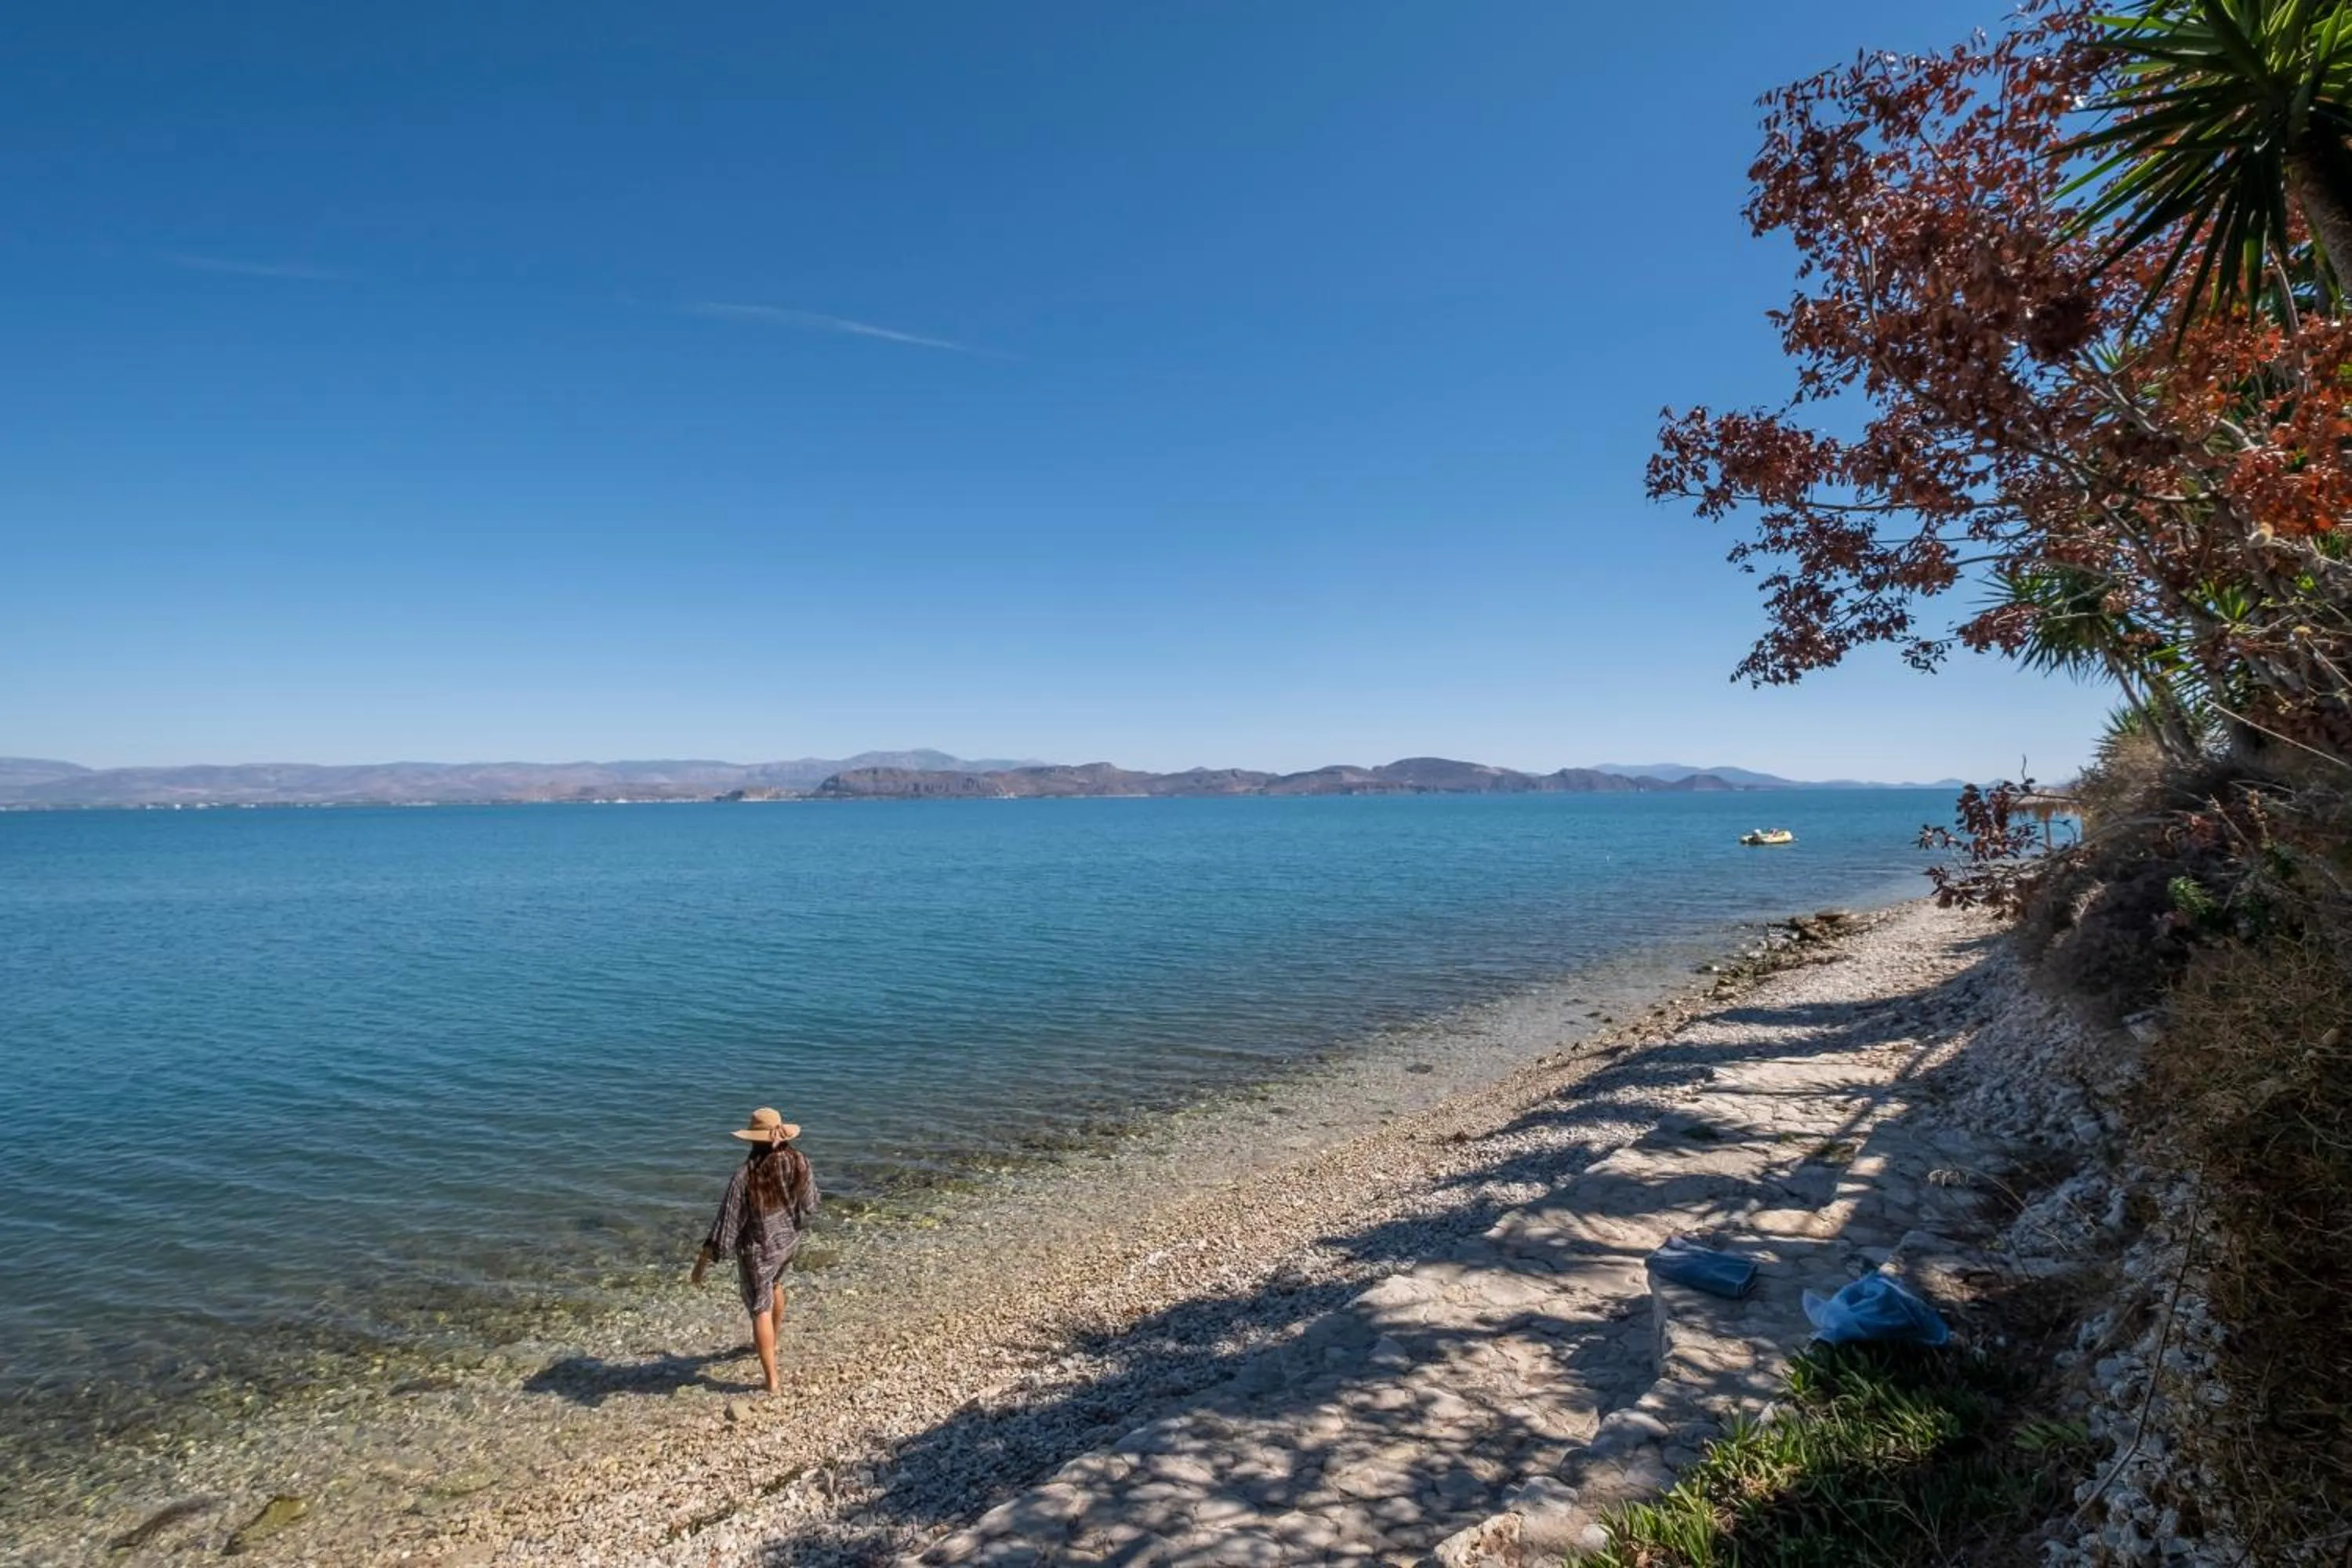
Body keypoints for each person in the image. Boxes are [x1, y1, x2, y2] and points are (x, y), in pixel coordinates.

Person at [691, 1106, 818, 1394]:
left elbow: (726, 1225)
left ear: (751, 1139)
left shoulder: (745, 1176)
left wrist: (702, 1262)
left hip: (759, 1251)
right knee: (775, 1285)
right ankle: (774, 1341)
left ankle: (771, 1380)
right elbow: (810, 1203)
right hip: (788, 1243)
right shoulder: (800, 1161)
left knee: (760, 1307)